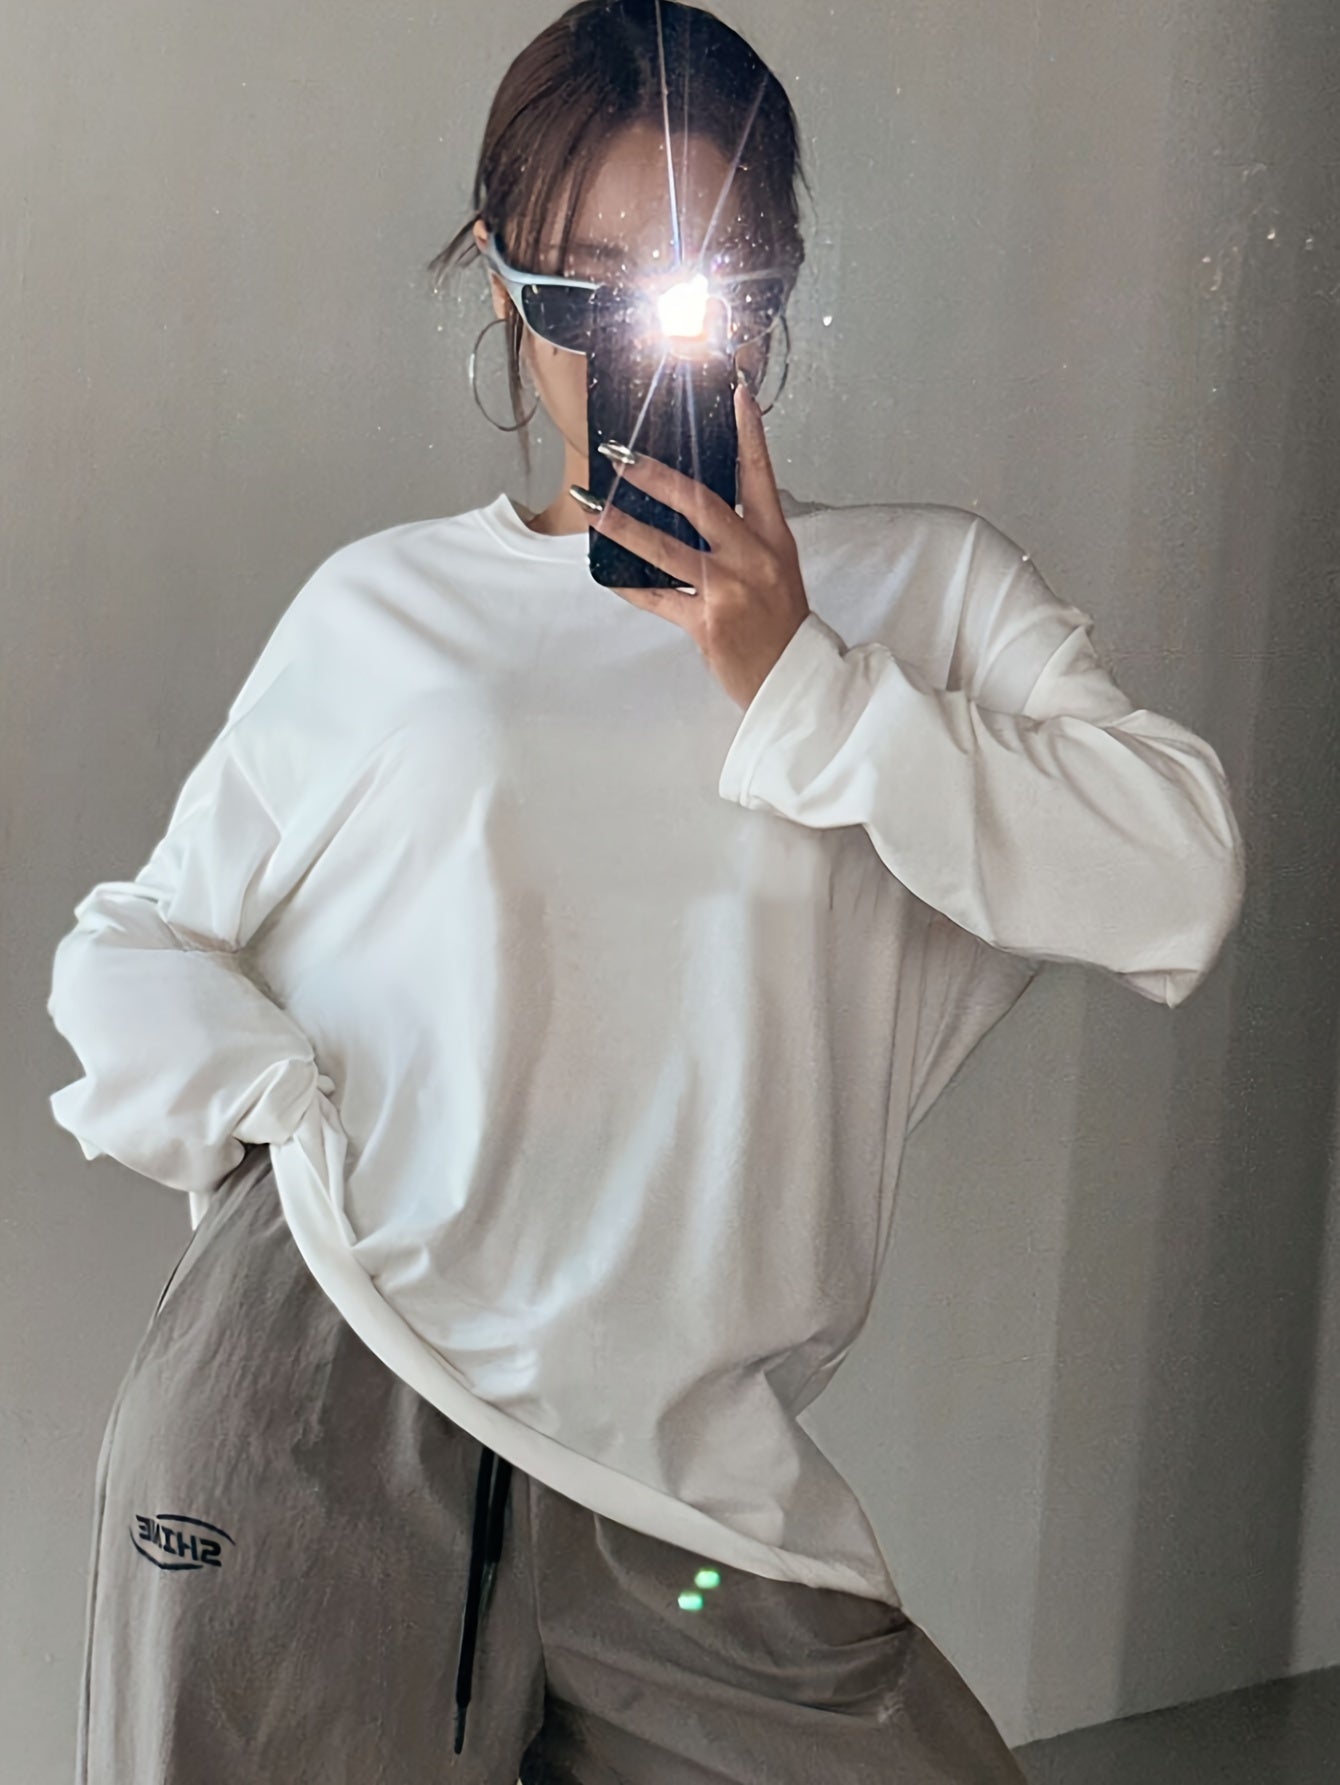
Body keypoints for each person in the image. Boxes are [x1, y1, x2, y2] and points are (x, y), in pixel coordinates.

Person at [47, 2, 1246, 1780]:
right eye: (575, 294)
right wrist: (281, 1118)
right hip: (324, 1404)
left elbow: (1178, 874)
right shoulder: (384, 615)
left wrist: (806, 686)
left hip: (685, 1496)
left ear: (774, 287)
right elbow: (131, 940)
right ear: (499, 281)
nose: (632, 342)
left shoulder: (921, 599)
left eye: (694, 286)